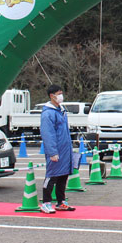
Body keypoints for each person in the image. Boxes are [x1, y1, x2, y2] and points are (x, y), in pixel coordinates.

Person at [39, 84, 76, 213]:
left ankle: (61, 201)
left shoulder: (61, 110)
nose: (61, 96)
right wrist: (52, 152)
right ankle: (46, 202)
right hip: (56, 150)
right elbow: (48, 134)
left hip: (65, 149)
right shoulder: (48, 113)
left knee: (63, 175)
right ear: (52, 96)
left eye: (61, 93)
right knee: (52, 175)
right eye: (59, 94)